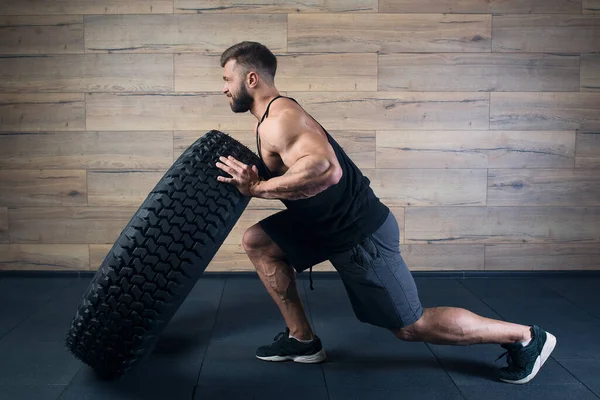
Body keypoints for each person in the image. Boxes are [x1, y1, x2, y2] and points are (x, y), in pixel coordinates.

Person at [214, 41, 556, 385]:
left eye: (228, 79)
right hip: (322, 225)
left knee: (410, 326)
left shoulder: (280, 120)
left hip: (359, 235)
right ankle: (302, 339)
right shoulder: (271, 117)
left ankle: (525, 337)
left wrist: (257, 189)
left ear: (252, 79)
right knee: (259, 242)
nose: (224, 87)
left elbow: (326, 170)